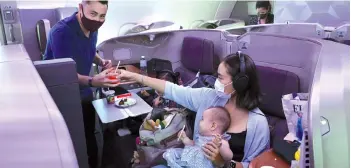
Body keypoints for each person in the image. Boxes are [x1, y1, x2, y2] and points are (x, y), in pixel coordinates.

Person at [115, 52, 270, 168]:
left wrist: (223, 163)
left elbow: (254, 165)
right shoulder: (210, 97)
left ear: (240, 84)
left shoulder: (258, 123)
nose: (216, 82)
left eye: (221, 78)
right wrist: (136, 77)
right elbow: (173, 90)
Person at [43, 1, 118, 167]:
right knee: (71, 140)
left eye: (102, 16)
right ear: (80, 8)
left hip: (83, 90)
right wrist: (92, 81)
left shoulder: (92, 28)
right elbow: (64, 74)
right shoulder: (62, 32)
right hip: (61, 91)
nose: (97, 20)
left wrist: (100, 61)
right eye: (93, 14)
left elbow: (89, 50)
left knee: (90, 135)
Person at [163, 107, 232, 168]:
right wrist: (184, 138)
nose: (199, 121)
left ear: (213, 126)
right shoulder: (201, 136)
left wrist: (220, 145)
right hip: (189, 162)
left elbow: (229, 156)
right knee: (172, 154)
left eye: (202, 119)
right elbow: (193, 145)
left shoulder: (220, 141)